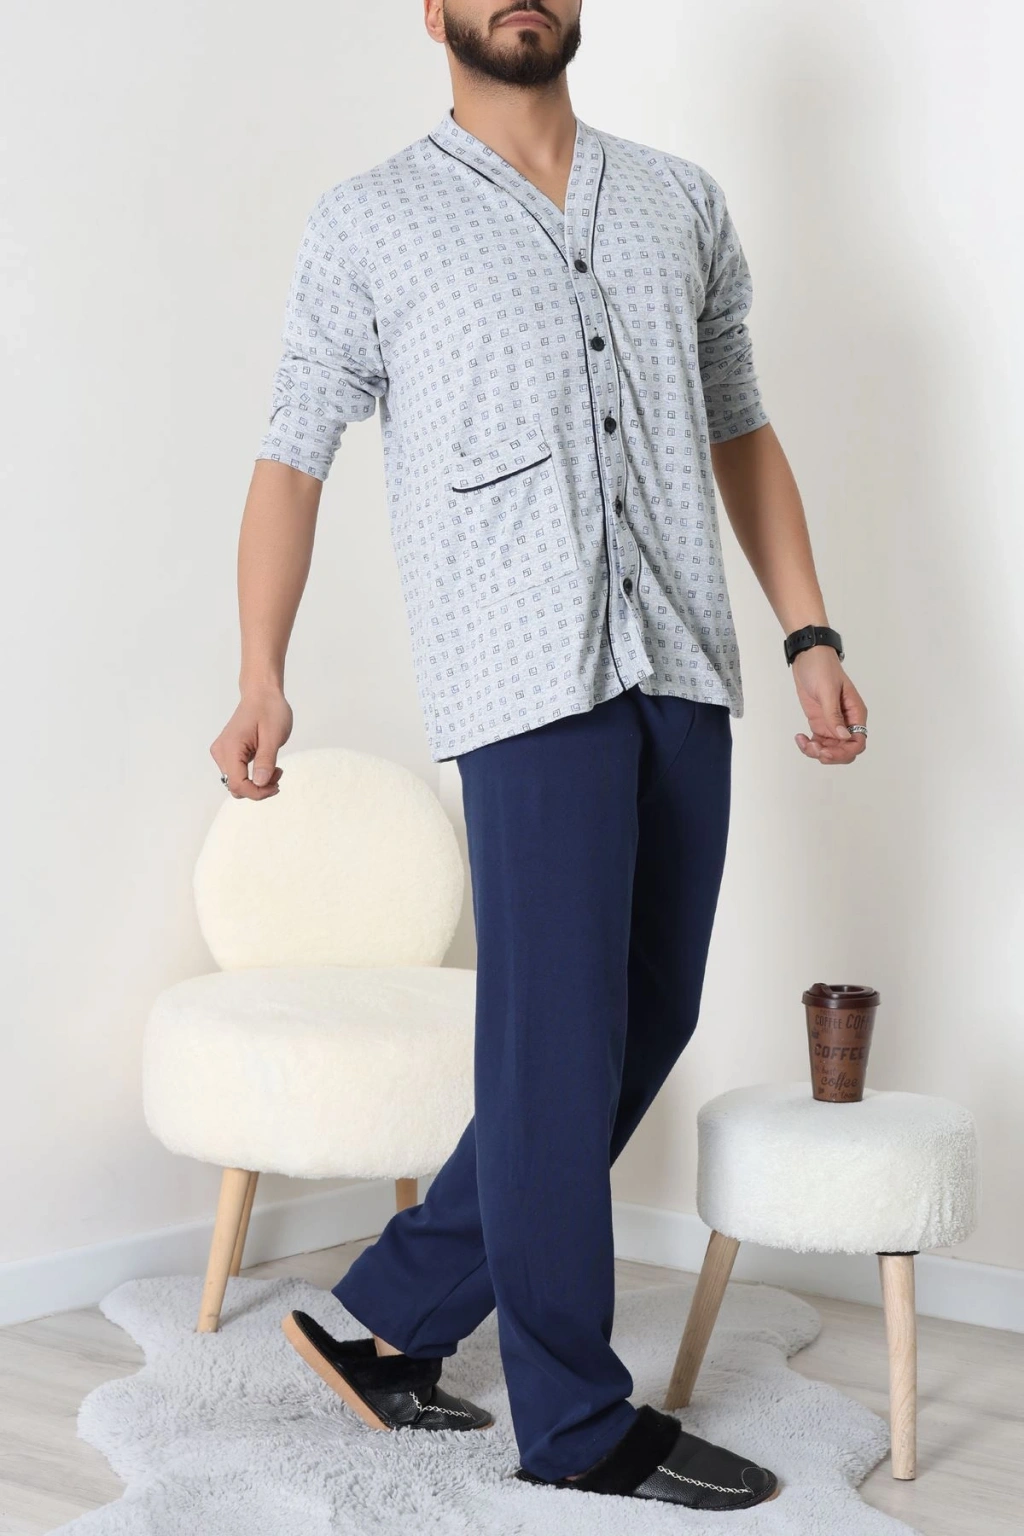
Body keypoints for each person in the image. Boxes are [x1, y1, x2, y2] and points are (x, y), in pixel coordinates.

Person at [210, 0, 868, 1512]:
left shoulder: (680, 201)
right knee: (555, 1041)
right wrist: (261, 673)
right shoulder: (370, 223)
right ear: (431, 11)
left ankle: (393, 1312)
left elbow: (741, 426)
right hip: (521, 682)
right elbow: (293, 451)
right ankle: (573, 1422)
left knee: (645, 1014)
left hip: (683, 660)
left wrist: (809, 631)